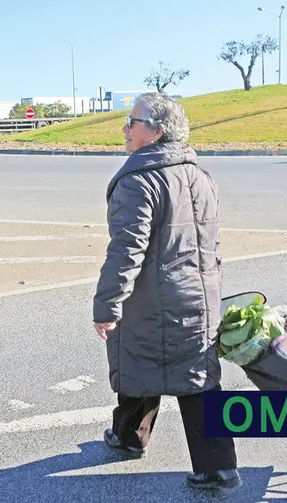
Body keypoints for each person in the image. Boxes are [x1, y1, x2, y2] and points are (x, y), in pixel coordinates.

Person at [92, 92, 241, 490]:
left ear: (157, 131)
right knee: (198, 380)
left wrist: (107, 304)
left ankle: (129, 439)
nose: (124, 128)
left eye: (132, 121)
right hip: (199, 296)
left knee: (138, 363)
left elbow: (126, 249)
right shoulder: (201, 176)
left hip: (152, 301)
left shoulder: (139, 180)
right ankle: (218, 467)